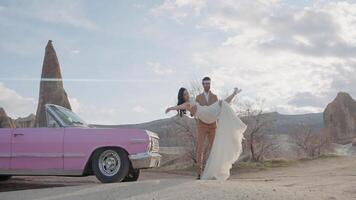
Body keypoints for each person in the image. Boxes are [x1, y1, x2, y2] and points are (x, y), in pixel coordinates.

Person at [165, 85, 247, 180]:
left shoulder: (191, 100)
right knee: (222, 103)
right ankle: (200, 173)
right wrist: (170, 108)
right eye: (185, 94)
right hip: (205, 117)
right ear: (182, 96)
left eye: (187, 93)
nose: (187, 95)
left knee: (222, 103)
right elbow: (179, 106)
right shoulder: (186, 104)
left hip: (208, 113)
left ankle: (234, 93)